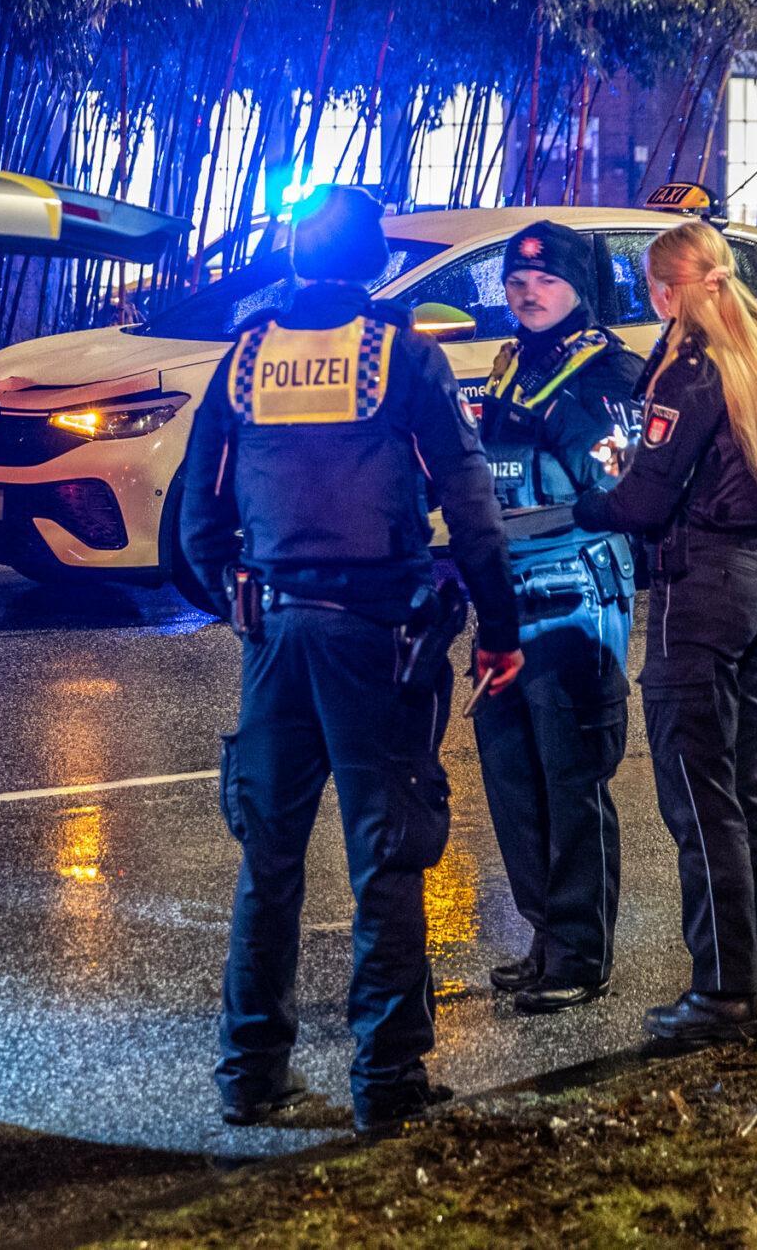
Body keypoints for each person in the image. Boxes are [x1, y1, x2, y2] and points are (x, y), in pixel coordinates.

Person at [179, 184, 523, 1132]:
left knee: (270, 860)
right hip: (378, 636)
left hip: (275, 635)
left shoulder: (246, 356)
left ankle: (250, 1075)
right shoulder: (404, 355)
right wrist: (500, 625)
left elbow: (196, 520)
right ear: (373, 260)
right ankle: (387, 1084)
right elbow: (471, 503)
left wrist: (242, 602)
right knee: (387, 857)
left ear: (293, 255)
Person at [575, 217, 757, 1051]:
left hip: (703, 588)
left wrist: (593, 502)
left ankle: (722, 989)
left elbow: (644, 501)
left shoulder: (690, 369)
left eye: (654, 289)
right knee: (750, 782)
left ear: (669, 290)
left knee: (698, 793)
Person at [469, 223, 645, 1014]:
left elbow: (619, 488)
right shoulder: (511, 367)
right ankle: (546, 937)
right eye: (515, 280)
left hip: (577, 600)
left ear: (581, 287)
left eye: (544, 281)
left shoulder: (612, 374)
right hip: (505, 600)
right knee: (514, 778)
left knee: (571, 778)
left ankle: (580, 952)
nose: (527, 291)